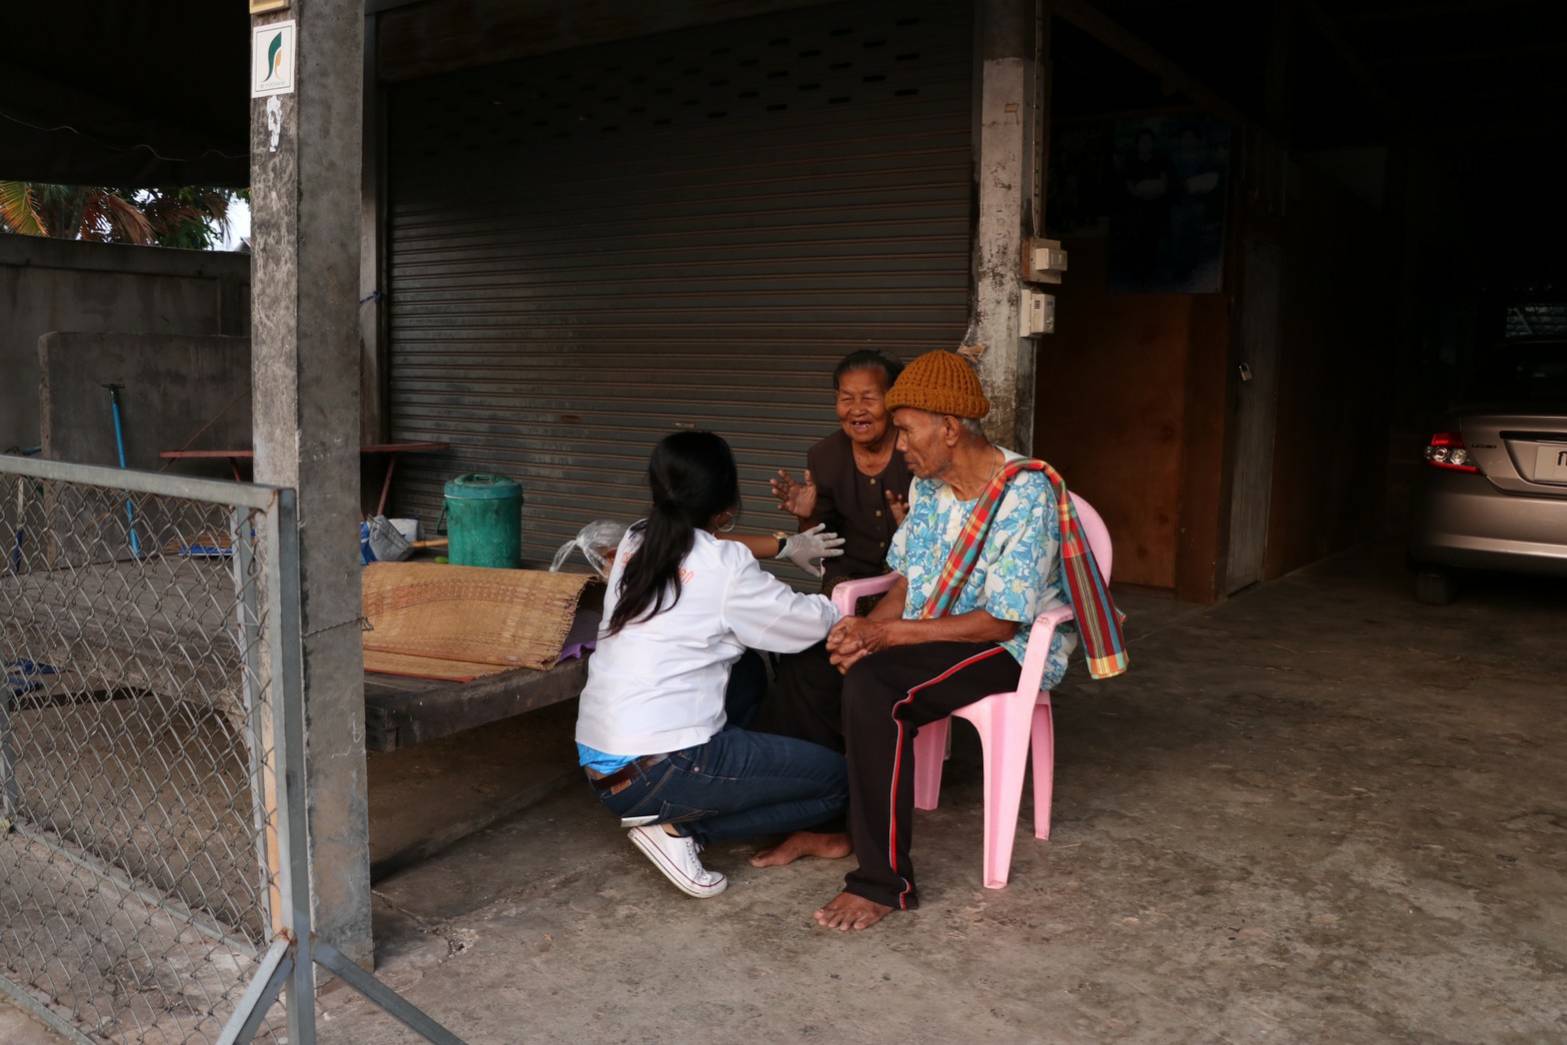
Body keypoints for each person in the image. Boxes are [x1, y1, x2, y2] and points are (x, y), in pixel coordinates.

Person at [752, 350, 1127, 931]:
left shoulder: (1022, 493)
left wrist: (885, 636)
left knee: (877, 686)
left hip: (1005, 650)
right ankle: (827, 826)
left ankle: (884, 882)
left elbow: (1001, 622)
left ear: (949, 428)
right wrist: (863, 627)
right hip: (933, 632)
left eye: (906, 430)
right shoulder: (931, 485)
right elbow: (909, 579)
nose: (898, 446)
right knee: (816, 666)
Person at [575, 431, 850, 898]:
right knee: (837, 784)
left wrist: (784, 544)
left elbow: (705, 545)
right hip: (661, 770)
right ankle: (684, 833)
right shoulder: (727, 568)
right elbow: (806, 625)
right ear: (726, 499)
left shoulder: (635, 542)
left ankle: (699, 795)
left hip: (603, 763)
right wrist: (841, 595)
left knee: (742, 671)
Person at [769, 351, 914, 593]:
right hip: (848, 582)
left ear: (893, 399)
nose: (857, 410)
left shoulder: (915, 451)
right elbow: (821, 544)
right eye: (847, 399)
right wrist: (806, 517)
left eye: (869, 398)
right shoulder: (824, 456)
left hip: (909, 578)